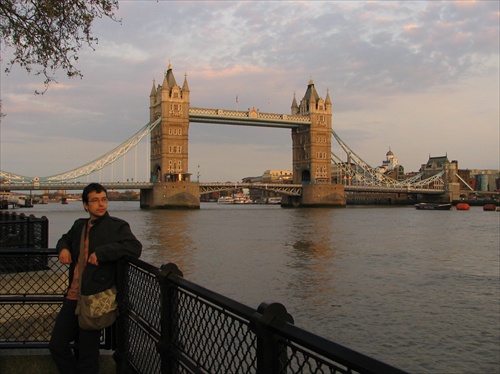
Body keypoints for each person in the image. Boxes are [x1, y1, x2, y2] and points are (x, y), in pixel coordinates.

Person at [49, 182, 142, 373]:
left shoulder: (117, 226)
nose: (101, 204)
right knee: (57, 345)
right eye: (94, 200)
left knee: (88, 356)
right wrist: (64, 248)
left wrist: (102, 252)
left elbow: (134, 247)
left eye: (104, 199)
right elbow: (65, 238)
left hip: (93, 299)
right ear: (85, 205)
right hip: (73, 297)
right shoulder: (79, 226)